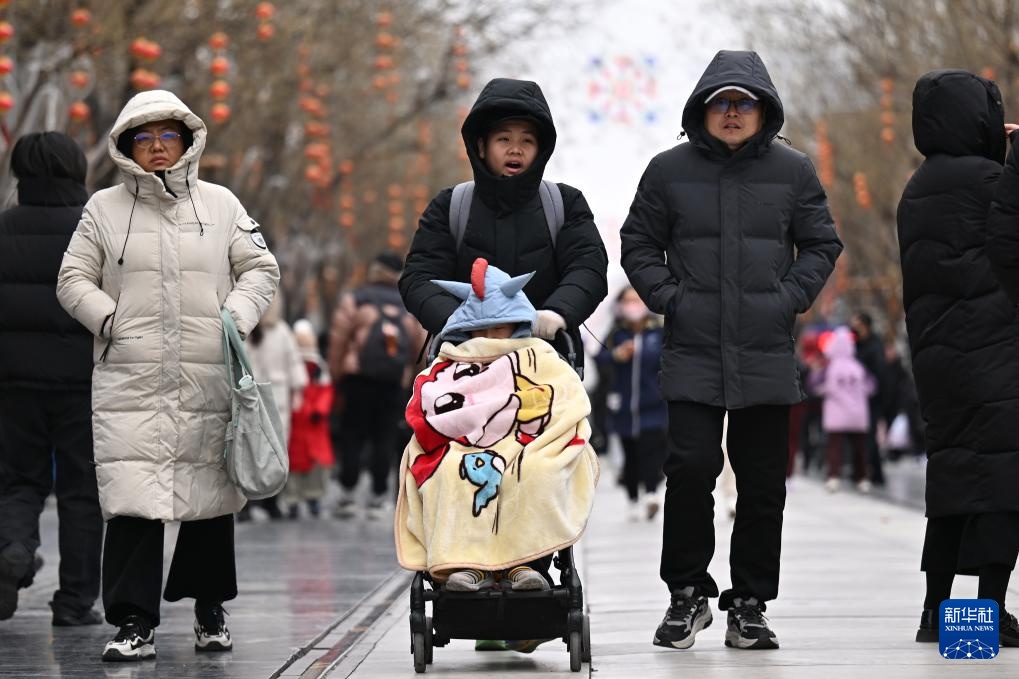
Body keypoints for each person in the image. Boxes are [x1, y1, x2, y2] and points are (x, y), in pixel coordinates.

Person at [620, 50, 842, 651]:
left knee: (763, 481)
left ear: (764, 110)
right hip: (692, 346)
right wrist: (671, 297)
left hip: (766, 349)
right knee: (690, 471)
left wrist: (788, 297)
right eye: (723, 102)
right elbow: (637, 242)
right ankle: (687, 594)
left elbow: (822, 242)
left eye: (745, 102)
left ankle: (749, 603)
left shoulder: (794, 171)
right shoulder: (667, 170)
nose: (734, 112)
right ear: (703, 110)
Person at [56, 90, 280, 661]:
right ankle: (133, 622)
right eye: (144, 137)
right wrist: (109, 320)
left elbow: (260, 267)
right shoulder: (102, 209)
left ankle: (210, 611)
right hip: (129, 378)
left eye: (168, 136)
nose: (157, 147)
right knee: (132, 501)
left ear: (188, 140)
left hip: (208, 374)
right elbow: (72, 279)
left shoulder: (222, 204)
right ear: (127, 146)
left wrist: (234, 318)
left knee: (209, 497)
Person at [898, 69, 1019, 645]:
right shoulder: (993, 180)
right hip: (998, 349)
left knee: (950, 478)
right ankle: (982, 617)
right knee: (1004, 479)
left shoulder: (917, 188)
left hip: (939, 359)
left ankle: (935, 610)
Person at [396, 257, 598, 594]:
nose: (491, 337)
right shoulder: (449, 363)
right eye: (483, 329)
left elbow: (567, 403)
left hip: (530, 442)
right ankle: (468, 563)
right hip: (461, 443)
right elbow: (429, 407)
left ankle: (524, 564)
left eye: (499, 327)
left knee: (534, 471)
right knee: (447, 471)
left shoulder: (540, 357)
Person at [398, 77, 608, 372]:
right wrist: (463, 322)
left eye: (527, 141)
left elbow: (589, 268)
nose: (515, 149)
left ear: (541, 149)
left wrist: (556, 313)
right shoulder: (450, 206)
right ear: (481, 146)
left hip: (547, 365)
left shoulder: (566, 203)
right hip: (463, 363)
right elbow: (419, 277)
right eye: (504, 139)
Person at [0, 132, 103, 626]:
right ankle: (74, 601)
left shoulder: (3, 229)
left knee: (19, 481)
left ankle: (14, 547)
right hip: (85, 382)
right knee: (83, 490)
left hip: (13, 383)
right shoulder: (96, 230)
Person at [327, 252, 424, 518]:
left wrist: (337, 375)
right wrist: (413, 381)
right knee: (386, 437)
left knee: (352, 434)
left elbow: (338, 340)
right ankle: (378, 497)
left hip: (357, 379)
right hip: (392, 383)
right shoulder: (408, 306)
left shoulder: (356, 299)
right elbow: (419, 348)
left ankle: (347, 494)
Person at [594, 286, 667, 522]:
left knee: (653, 451)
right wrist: (617, 355)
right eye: (628, 301)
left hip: (654, 405)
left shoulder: (659, 332)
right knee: (631, 455)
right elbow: (599, 356)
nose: (633, 306)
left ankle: (652, 493)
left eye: (638, 300)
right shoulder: (616, 333)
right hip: (623, 406)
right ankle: (633, 498)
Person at [240, 293, 307, 521]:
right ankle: (261, 502)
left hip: (262, 399)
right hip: (269, 400)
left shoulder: (259, 331)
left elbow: (293, 362)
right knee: (265, 450)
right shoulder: (276, 332)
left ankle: (259, 503)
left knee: (260, 451)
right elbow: (295, 365)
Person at [806, 326, 875, 493]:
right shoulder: (858, 367)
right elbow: (872, 386)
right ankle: (862, 478)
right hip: (857, 413)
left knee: (834, 446)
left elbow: (813, 384)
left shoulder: (829, 367)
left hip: (836, 413)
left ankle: (833, 477)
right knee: (859, 447)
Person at [285, 319, 335, 519]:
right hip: (299, 425)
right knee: (295, 467)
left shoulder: (318, 368)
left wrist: (318, 410)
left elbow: (325, 392)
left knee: (313, 466)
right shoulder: (315, 367)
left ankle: (309, 500)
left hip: (311, 425)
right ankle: (294, 502)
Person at [849, 312, 886, 485]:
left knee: (869, 436)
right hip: (859, 398)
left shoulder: (874, 346)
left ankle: (868, 472)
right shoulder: (858, 343)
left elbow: (878, 374)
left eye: (856, 323)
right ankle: (872, 472)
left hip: (871, 398)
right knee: (864, 435)